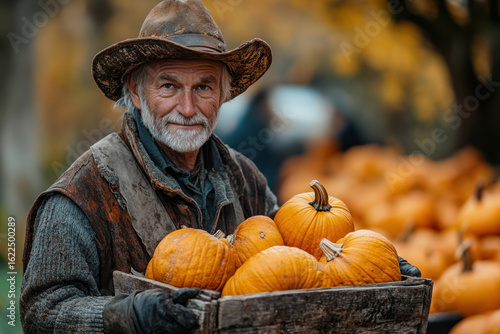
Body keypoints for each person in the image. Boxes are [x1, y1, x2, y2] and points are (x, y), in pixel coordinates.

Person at [20, 0, 420, 333]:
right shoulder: (83, 195)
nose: (188, 108)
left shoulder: (246, 178)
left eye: (204, 87)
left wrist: (373, 272)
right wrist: (128, 315)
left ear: (224, 96)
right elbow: (41, 312)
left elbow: (294, 258)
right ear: (136, 94)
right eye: (169, 86)